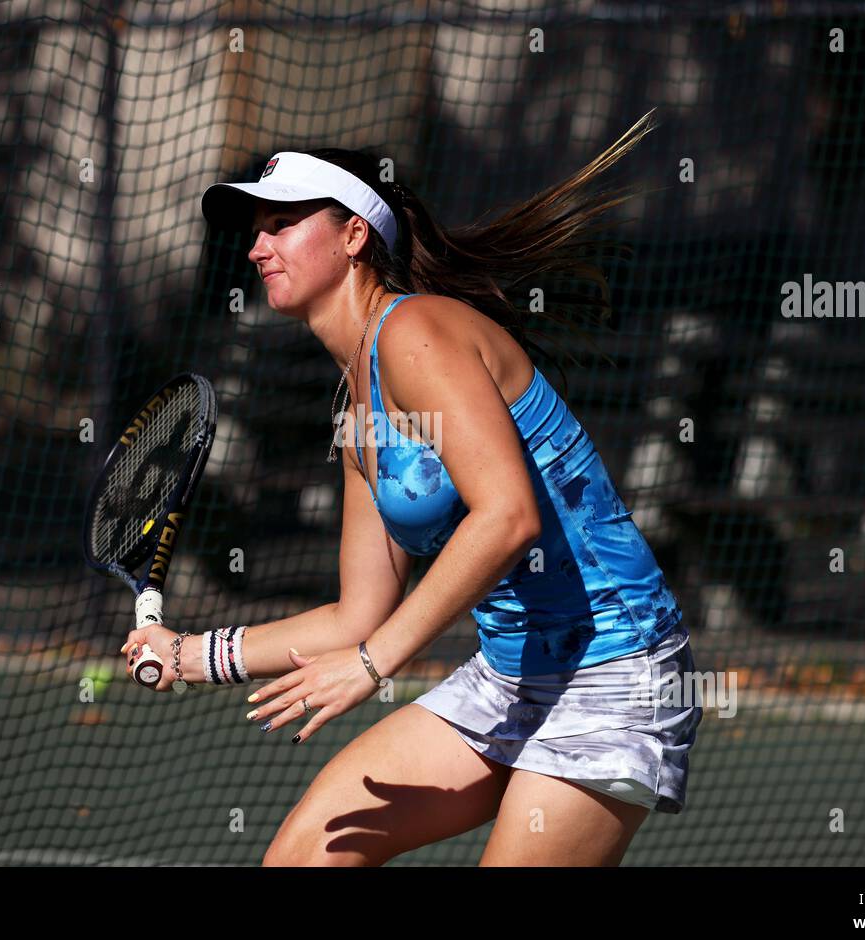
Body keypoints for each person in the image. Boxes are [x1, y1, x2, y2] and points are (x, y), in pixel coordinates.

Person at [121, 112, 702, 865]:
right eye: (256, 229)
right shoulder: (356, 407)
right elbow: (358, 613)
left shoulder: (417, 332)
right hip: (511, 671)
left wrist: (375, 663)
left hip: (614, 669)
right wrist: (196, 654)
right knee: (305, 855)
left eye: (283, 223)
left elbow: (508, 515)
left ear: (355, 234)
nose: (258, 246)